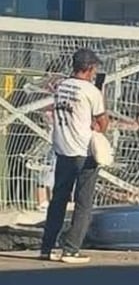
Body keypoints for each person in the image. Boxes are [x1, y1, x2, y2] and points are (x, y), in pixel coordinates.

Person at [39, 48, 109, 264]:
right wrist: (98, 130)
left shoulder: (62, 87)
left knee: (58, 200)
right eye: (94, 68)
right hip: (84, 150)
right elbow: (102, 120)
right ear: (89, 69)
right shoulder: (90, 91)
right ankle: (70, 249)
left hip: (62, 148)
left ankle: (47, 247)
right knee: (83, 202)